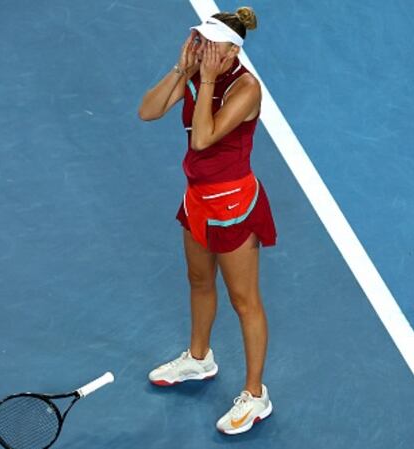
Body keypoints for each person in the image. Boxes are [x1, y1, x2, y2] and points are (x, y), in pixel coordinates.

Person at [137, 6, 277, 435]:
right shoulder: (197, 71)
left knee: (244, 300)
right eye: (199, 40)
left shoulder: (246, 89)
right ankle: (199, 359)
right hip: (198, 200)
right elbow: (147, 111)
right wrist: (182, 68)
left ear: (232, 51)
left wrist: (208, 78)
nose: (202, 47)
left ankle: (255, 395)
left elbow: (201, 139)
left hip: (234, 205)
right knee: (198, 282)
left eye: (210, 42)